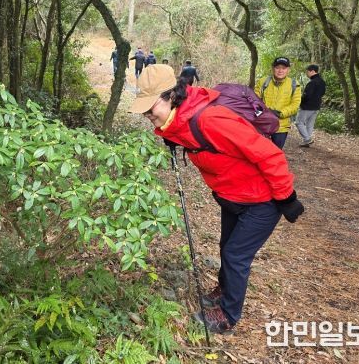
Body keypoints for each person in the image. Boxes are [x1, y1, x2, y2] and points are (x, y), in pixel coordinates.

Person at [129, 65, 303, 335]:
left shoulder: (211, 119)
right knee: (226, 247)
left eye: (150, 108)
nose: (147, 115)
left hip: (263, 199)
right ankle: (225, 290)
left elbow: (270, 155)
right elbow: (196, 136)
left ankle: (228, 315)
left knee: (235, 255)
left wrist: (286, 197)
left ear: (171, 95)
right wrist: (174, 137)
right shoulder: (181, 117)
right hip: (233, 196)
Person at [255, 57, 301, 149]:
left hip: (281, 126)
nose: (280, 71)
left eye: (283, 68)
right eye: (277, 68)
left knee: (276, 151)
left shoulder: (294, 84)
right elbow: (254, 100)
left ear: (288, 70)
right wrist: (262, 112)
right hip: (263, 123)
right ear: (273, 68)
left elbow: (295, 105)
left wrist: (280, 113)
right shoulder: (263, 81)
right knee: (259, 150)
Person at [295, 64, 326, 147]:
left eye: (307, 72)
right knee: (310, 124)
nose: (306, 74)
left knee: (299, 122)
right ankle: (306, 141)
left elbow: (307, 95)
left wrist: (300, 102)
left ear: (312, 71)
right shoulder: (322, 82)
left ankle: (307, 139)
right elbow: (323, 93)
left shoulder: (312, 83)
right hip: (316, 106)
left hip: (307, 106)